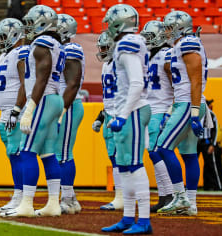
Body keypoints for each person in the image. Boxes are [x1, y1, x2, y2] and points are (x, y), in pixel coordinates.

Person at [0, 5, 64, 218]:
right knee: (47, 153)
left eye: (31, 22)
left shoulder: (42, 43)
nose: (28, 27)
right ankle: (54, 203)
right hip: (53, 98)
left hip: (43, 98)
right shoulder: (56, 43)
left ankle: (26, 204)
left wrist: (29, 108)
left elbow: (41, 78)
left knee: (27, 151)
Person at [101, 4, 152, 234]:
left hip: (132, 110)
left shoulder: (127, 44)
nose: (108, 26)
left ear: (118, 22)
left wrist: (122, 115)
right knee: (123, 167)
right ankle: (128, 217)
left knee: (135, 166)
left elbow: (137, 83)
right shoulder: (130, 43)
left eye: (110, 22)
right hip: (127, 110)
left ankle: (144, 221)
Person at [156, 10, 208, 216]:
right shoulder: (181, 45)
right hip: (186, 103)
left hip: (188, 104)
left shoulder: (188, 43)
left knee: (163, 146)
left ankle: (180, 196)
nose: (167, 32)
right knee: (189, 154)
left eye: (169, 28)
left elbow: (196, 80)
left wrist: (194, 111)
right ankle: (191, 203)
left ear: (179, 27)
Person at [0, 18, 28, 213]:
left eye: (4, 36)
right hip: (5, 114)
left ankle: (21, 198)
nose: (1, 40)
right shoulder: (4, 56)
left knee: (18, 156)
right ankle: (17, 196)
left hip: (16, 114)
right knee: (13, 156)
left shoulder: (21, 53)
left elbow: (26, 85)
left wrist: (16, 111)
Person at [140, 21, 175, 212]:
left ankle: (170, 194)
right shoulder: (150, 56)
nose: (147, 41)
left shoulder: (166, 55)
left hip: (161, 107)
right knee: (153, 152)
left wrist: (171, 109)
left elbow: (175, 83)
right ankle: (164, 195)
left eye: (150, 37)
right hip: (150, 108)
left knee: (155, 152)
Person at [55, 14, 85, 215]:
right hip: (64, 105)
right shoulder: (59, 49)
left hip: (69, 105)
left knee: (63, 154)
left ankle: (67, 198)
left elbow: (72, 84)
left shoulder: (71, 49)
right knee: (60, 153)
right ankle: (70, 197)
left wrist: (62, 110)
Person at [92, 31, 124, 211]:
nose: (102, 51)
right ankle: (120, 195)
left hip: (120, 116)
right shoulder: (106, 66)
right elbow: (108, 98)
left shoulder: (120, 65)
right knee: (114, 158)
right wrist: (101, 116)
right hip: (109, 115)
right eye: (101, 47)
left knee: (123, 158)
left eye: (105, 47)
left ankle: (124, 196)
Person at [198, 99, 222, 190]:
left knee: (212, 165)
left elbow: (215, 130)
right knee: (192, 163)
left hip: (207, 142)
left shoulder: (211, 115)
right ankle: (205, 186)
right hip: (196, 142)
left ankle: (218, 186)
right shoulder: (195, 114)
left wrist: (213, 144)